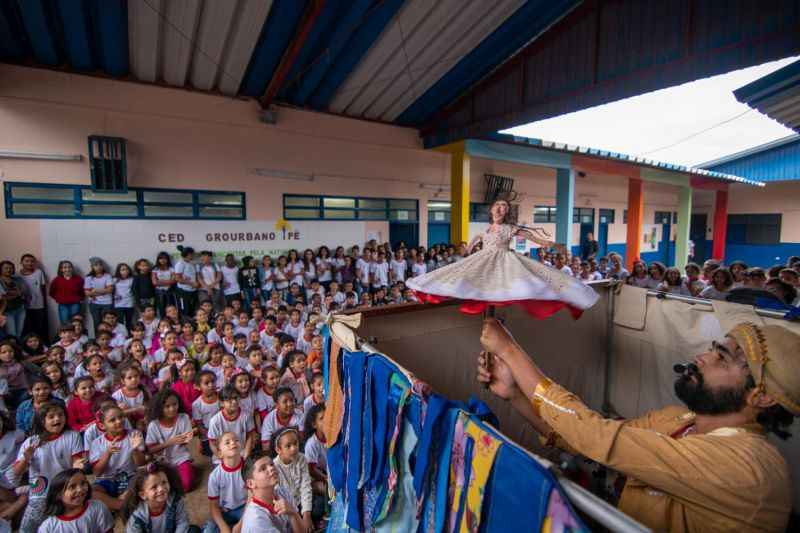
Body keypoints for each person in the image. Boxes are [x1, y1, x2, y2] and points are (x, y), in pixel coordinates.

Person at [476, 318, 799, 532]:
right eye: (714, 349)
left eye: (723, 359)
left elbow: (595, 435)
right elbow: (584, 441)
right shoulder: (678, 420)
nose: (702, 358)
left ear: (762, 397)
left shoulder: (748, 467)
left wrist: (511, 351)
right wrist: (516, 394)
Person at [407, 197, 598, 318]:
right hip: (483, 261)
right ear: (491, 209)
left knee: (517, 285)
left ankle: (494, 316)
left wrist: (555, 245)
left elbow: (536, 239)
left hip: (505, 261)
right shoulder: (484, 231)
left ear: (507, 212)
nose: (500, 209)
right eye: (497, 205)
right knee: (461, 279)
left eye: (504, 206)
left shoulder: (511, 228)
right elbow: (466, 250)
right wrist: (465, 253)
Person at [122, 462, 200, 533]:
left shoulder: (175, 500)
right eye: (154, 487)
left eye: (164, 482)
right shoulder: (137, 517)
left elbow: (182, 522)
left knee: (193, 530)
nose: (161, 489)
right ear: (143, 495)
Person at [240, 451, 304, 532]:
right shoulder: (256, 520)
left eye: (271, 464)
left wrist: (293, 514)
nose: (271, 468)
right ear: (251, 483)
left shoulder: (283, 492)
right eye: (263, 468)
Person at [39, 469, 114, 533]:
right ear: (58, 495)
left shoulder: (98, 507)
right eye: (72, 486)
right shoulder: (48, 527)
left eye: (83, 483)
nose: (80, 489)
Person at [204, 431, 247, 533]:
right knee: (209, 529)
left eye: (236, 440)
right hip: (224, 511)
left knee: (257, 524)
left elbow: (253, 499)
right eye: (227, 442)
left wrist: (241, 524)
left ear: (241, 446)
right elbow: (213, 505)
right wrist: (223, 526)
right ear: (219, 453)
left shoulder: (249, 468)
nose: (233, 443)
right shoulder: (215, 476)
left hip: (245, 508)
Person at [19, 254, 48, 339]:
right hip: (24, 307)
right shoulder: (17, 275)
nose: (29, 263)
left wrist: (44, 304)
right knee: (26, 328)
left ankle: (40, 345)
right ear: (21, 262)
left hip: (38, 305)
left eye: (32, 261)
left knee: (39, 327)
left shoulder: (39, 272)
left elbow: (43, 288)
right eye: (27, 261)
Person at [49, 260, 85, 327]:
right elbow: (51, 292)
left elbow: (83, 291)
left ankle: (76, 336)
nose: (67, 269)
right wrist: (59, 298)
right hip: (63, 305)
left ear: (72, 268)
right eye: (65, 267)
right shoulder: (57, 280)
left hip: (75, 304)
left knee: (76, 323)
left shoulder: (78, 279)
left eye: (69, 267)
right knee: (65, 323)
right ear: (61, 269)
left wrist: (80, 299)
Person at [84, 258, 114, 336]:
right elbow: (87, 293)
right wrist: (103, 290)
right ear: (92, 267)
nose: (99, 267)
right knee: (97, 322)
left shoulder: (107, 276)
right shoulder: (88, 277)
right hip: (94, 304)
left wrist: (94, 291)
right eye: (96, 265)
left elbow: (110, 290)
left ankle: (109, 337)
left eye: (100, 265)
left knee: (107, 323)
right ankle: (98, 339)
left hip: (107, 303)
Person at [0, 261, 29, 339]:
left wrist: (12, 293)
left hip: (20, 309)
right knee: (11, 334)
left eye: (11, 268)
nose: (9, 270)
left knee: (19, 333)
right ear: (1, 269)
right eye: (6, 268)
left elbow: (24, 291)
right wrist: (17, 293)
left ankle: (18, 350)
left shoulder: (17, 279)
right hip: (7, 311)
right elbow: (4, 296)